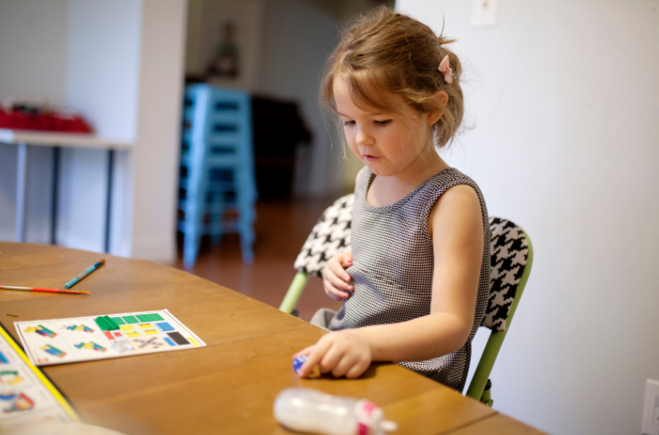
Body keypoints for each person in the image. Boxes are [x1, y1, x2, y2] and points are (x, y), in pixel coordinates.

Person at [294, 6, 491, 392]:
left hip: (409, 374)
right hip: (351, 340)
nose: (361, 139)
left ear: (433, 108)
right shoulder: (368, 179)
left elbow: (452, 324)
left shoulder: (452, 200)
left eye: (379, 122)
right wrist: (342, 265)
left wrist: (365, 342)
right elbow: (387, 268)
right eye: (349, 121)